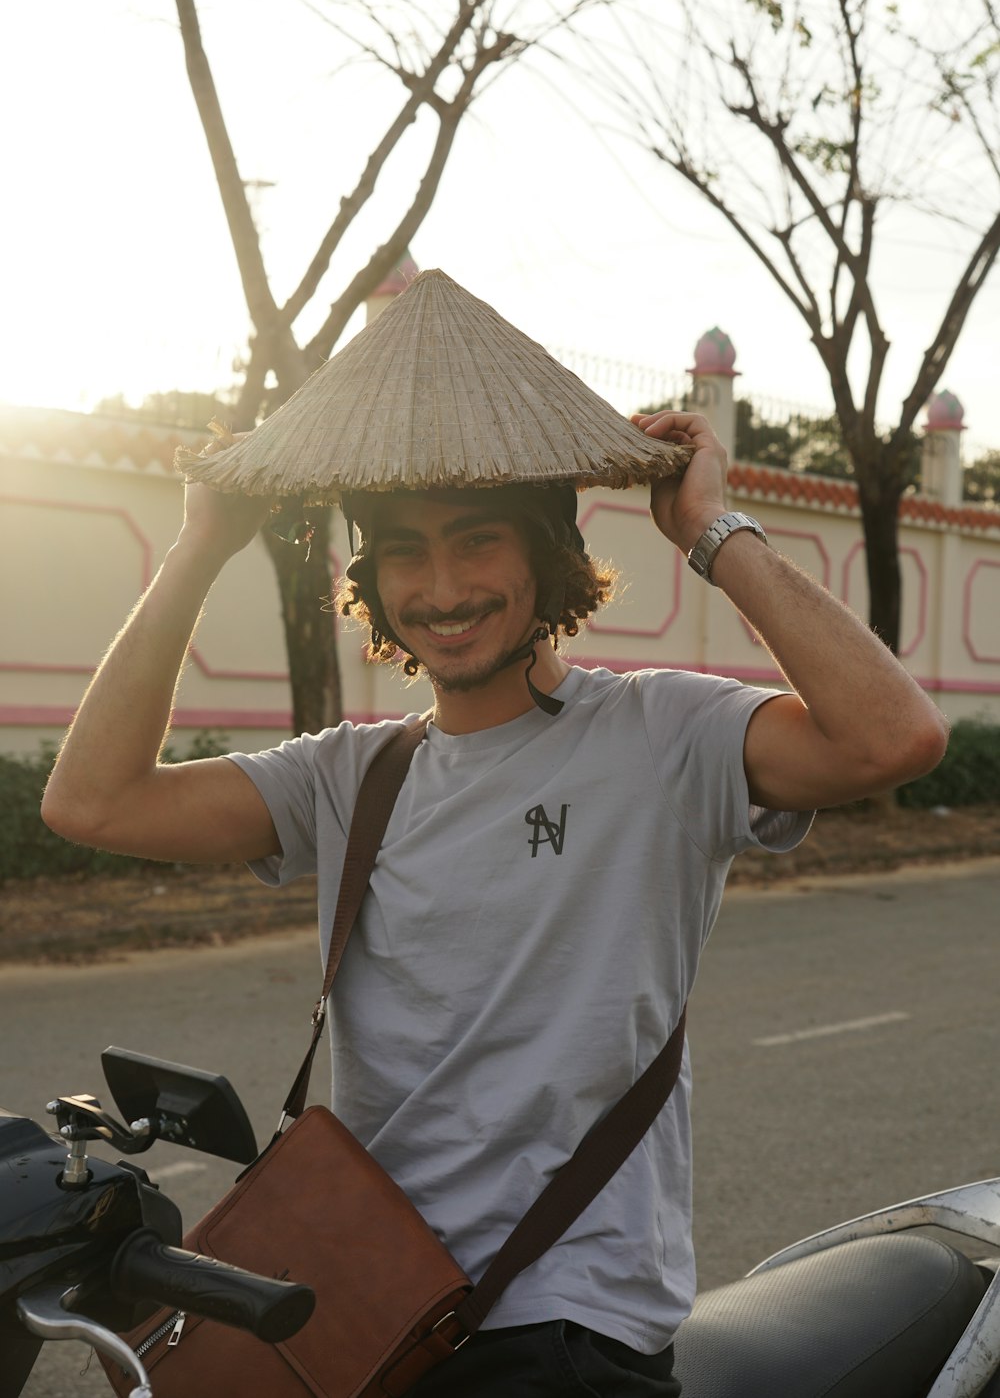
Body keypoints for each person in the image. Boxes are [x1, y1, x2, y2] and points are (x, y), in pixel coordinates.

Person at [41, 407, 948, 1398]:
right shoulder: (350, 776)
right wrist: (202, 544)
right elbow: (93, 801)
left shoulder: (659, 733)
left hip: (563, 1320)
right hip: (367, 1300)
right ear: (371, 583)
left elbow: (889, 740)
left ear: (551, 554)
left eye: (478, 540)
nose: (442, 589)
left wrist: (709, 529)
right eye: (404, 554)